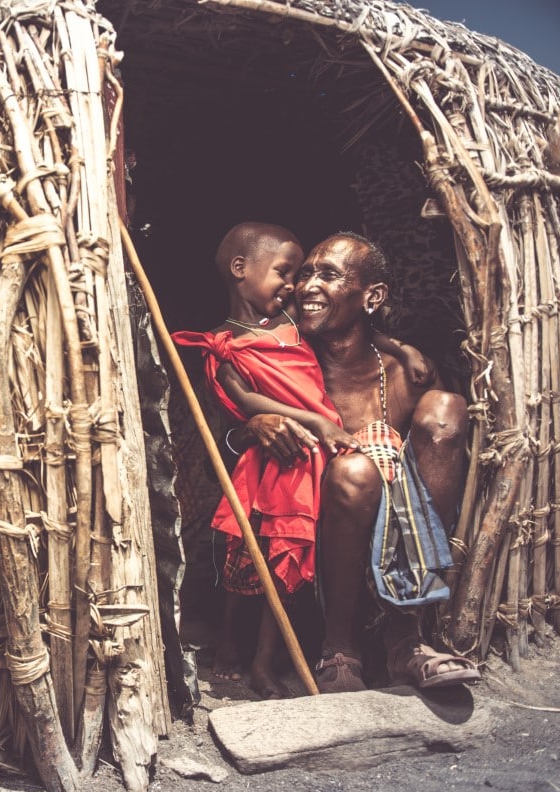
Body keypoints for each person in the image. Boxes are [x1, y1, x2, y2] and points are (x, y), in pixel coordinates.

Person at [173, 223, 429, 698]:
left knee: (293, 553)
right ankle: (232, 645)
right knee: (249, 554)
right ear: (239, 270)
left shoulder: (294, 323)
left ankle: (270, 660)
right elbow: (239, 409)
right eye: (286, 273)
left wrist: (403, 348)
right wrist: (310, 423)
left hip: (308, 458)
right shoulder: (220, 345)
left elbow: (370, 333)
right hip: (265, 459)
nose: (298, 286)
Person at [248, 231, 480, 692]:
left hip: (401, 532)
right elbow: (224, 425)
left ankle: (407, 638)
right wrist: (255, 425)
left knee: (447, 409)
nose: (309, 285)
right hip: (309, 535)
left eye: (329, 275)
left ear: (371, 296)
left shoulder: (404, 372)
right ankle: (340, 650)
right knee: (354, 471)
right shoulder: (283, 362)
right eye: (307, 273)